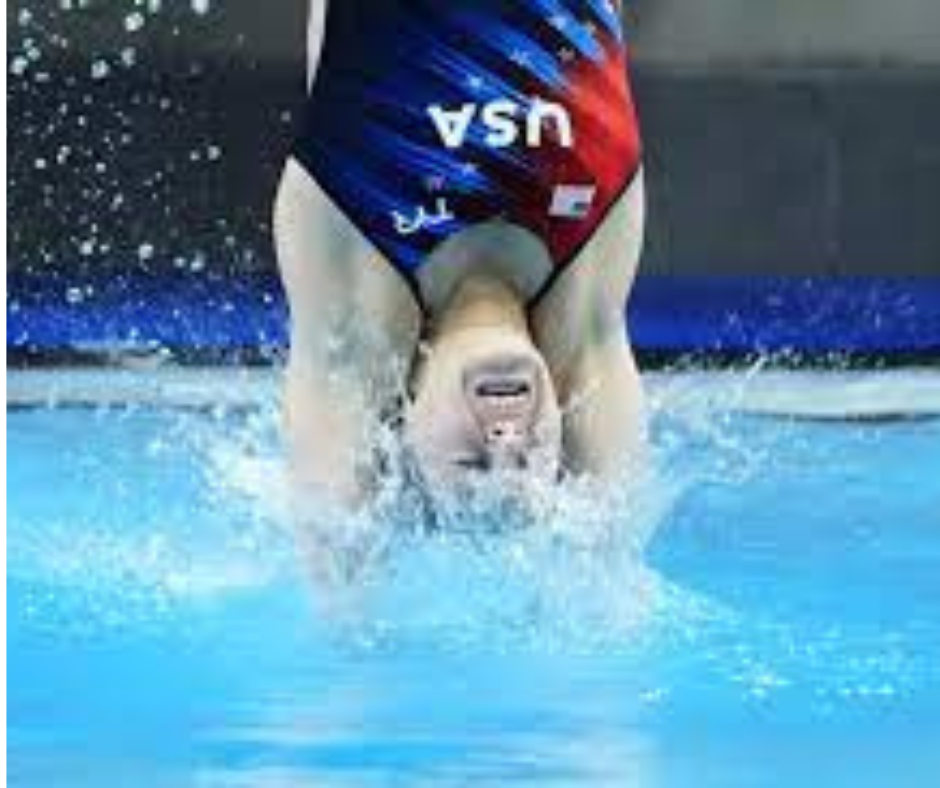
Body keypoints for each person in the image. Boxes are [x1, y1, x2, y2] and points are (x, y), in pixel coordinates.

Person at [275, 0, 647, 508]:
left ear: (405, 420)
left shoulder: (359, 273)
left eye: (470, 463)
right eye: (528, 458)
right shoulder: (585, 300)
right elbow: (610, 543)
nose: (506, 438)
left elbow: (331, 526)